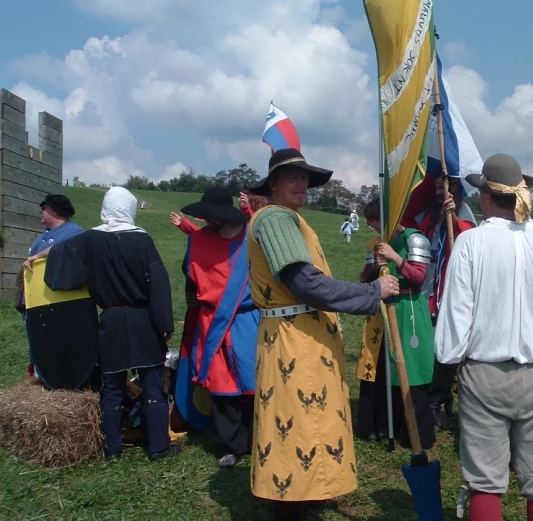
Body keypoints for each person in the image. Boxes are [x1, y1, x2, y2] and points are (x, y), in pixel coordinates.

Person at [246, 148, 400, 521]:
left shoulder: (291, 219)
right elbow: (306, 284)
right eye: (291, 178)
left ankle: (309, 489)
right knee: (295, 423)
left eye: (304, 178)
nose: (300, 184)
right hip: (292, 340)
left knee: (310, 421)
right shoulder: (275, 219)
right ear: (273, 185)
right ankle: (289, 504)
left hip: (305, 336)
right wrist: (371, 293)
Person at [436, 153, 533, 521]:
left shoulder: (471, 243)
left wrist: (439, 385)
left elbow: (456, 320)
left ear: (487, 197)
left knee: (486, 481)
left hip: (484, 376)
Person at [27, 187, 180, 461]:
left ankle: (113, 450)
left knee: (112, 387)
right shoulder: (142, 240)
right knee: (152, 386)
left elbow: (61, 254)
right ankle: (159, 448)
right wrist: (164, 324)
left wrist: (39, 256)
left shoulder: (90, 239)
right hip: (142, 321)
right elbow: (158, 283)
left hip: (110, 320)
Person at [180, 187, 261, 469]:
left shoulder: (252, 237)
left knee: (254, 382)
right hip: (212, 322)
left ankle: (258, 438)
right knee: (222, 386)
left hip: (247, 320)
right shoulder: (198, 241)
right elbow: (190, 278)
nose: (209, 222)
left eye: (213, 217)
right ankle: (232, 445)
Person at [356, 198, 436, 449]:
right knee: (380, 368)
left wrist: (395, 258)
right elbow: (364, 279)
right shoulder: (375, 244)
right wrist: (375, 268)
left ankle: (414, 431)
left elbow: (418, 278)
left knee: (411, 369)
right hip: (381, 311)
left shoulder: (415, 239)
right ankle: (379, 426)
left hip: (409, 310)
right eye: (368, 220)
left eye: (374, 219)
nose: (370, 224)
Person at [403, 172, 477, 430]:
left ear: (455, 189)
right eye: (434, 187)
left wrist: (453, 217)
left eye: (441, 187)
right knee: (427, 337)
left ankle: (441, 394)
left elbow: (467, 239)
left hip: (449, 283)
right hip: (427, 281)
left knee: (448, 339)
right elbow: (413, 225)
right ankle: (430, 391)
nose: (437, 193)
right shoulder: (429, 212)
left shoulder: (464, 212)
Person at [20, 194, 84, 376]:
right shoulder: (44, 236)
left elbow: (72, 250)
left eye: (44, 208)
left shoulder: (74, 233)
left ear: (55, 211)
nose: (41, 211)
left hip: (58, 305)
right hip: (37, 303)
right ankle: (40, 376)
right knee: (39, 346)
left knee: (57, 349)